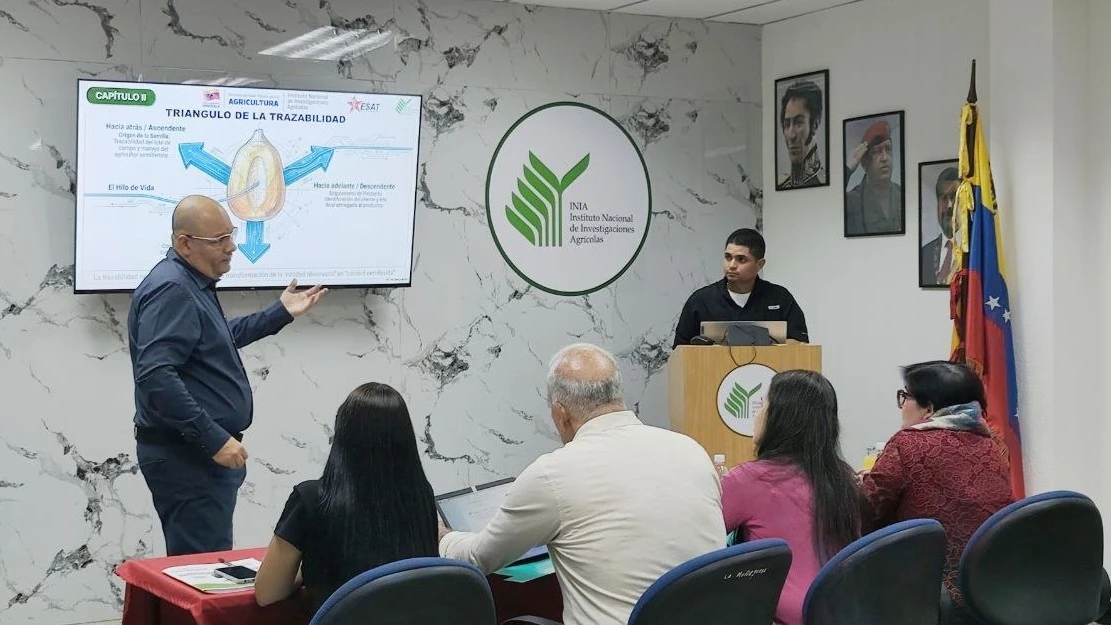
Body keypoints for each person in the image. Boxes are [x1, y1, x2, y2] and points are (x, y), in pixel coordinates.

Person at [438, 343, 725, 625]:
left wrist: (441, 535)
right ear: (617, 395)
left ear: (560, 412)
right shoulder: (692, 451)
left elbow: (477, 558)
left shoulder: (552, 474)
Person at [128, 194, 327, 556]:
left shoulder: (190, 282)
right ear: (185, 244)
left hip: (198, 455)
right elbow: (156, 375)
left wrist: (279, 312)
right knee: (201, 572)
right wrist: (214, 439)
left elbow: (214, 340)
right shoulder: (173, 288)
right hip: (189, 456)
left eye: (230, 235)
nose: (232, 247)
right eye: (219, 240)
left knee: (204, 565)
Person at [255, 383, 438, 610]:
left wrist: (304, 572)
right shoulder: (422, 495)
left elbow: (268, 594)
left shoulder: (310, 498)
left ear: (342, 432)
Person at [860, 361, 1013, 609]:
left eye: (905, 396)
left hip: (929, 590)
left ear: (929, 408)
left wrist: (862, 482)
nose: (902, 405)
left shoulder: (906, 444)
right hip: (993, 588)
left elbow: (867, 510)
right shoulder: (992, 446)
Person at [721, 370, 860, 625]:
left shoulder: (749, 479)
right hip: (842, 611)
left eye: (763, 404)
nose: (757, 415)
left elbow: (700, 536)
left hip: (780, 616)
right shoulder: (845, 480)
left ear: (779, 417)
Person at [673, 228, 808, 346]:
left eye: (741, 259)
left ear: (760, 264)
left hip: (769, 368)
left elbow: (800, 344)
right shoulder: (701, 300)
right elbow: (680, 349)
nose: (731, 265)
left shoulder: (780, 297)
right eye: (728, 257)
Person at [845, 120, 903, 235]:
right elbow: (828, 206)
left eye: (888, 149)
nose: (885, 158)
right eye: (877, 151)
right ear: (865, 162)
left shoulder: (902, 194)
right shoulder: (852, 200)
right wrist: (847, 169)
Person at [777, 80, 827, 189]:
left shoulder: (825, 182)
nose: (791, 135)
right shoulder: (781, 184)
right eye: (787, 125)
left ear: (814, 124)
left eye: (798, 123)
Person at [920, 167, 960, 286]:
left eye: (954, 197)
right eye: (944, 198)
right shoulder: (925, 253)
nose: (949, 205)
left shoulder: (976, 251)